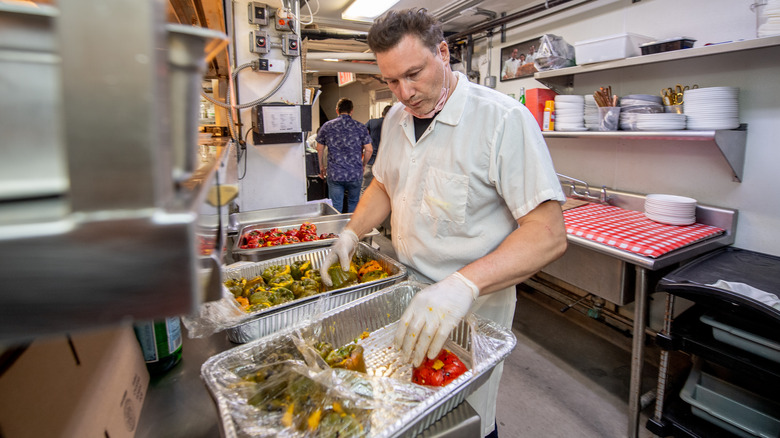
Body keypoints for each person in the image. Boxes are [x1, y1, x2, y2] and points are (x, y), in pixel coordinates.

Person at [319, 8, 568, 438]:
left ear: (444, 52)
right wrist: (351, 232)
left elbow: (547, 234)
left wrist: (462, 285)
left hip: (471, 310)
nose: (404, 92)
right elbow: (383, 184)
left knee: (462, 419)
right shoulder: (396, 120)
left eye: (413, 74)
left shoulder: (502, 121)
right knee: (401, 412)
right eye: (392, 81)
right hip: (405, 295)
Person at [316, 98, 373, 213]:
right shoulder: (361, 127)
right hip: (355, 173)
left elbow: (319, 148)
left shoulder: (327, 126)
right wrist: (363, 165)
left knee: (336, 206)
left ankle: (336, 230)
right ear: (351, 111)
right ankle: (351, 229)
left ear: (337, 110)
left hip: (335, 174)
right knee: (353, 203)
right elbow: (369, 150)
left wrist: (321, 166)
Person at [362, 104, 391, 193]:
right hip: (387, 165)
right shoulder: (395, 125)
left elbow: (362, 135)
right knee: (385, 193)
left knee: (364, 190)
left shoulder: (372, 122)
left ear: (382, 113)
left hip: (371, 163)